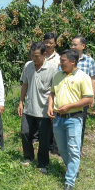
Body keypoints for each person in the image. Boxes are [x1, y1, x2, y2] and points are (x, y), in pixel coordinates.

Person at [48, 49, 94, 190]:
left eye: (63, 61)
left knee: (74, 150)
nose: (60, 63)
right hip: (58, 119)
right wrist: (50, 106)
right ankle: (73, 170)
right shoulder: (58, 76)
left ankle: (69, 182)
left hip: (74, 118)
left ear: (73, 62)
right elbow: (52, 93)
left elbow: (88, 98)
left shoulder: (83, 77)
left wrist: (69, 106)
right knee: (62, 149)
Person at [18, 42, 58, 174]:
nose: (34, 59)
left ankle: (43, 163)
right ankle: (28, 157)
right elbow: (25, 84)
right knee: (25, 132)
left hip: (44, 109)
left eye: (36, 56)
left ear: (44, 54)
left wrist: (52, 107)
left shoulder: (52, 69)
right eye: (32, 56)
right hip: (29, 107)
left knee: (44, 138)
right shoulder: (28, 66)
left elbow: (54, 90)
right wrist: (20, 102)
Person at [70, 35, 95, 153]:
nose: (73, 47)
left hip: (83, 98)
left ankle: (78, 149)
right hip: (70, 96)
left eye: (75, 45)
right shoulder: (68, 59)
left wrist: (92, 96)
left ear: (83, 46)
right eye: (71, 44)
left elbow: (93, 78)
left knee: (81, 123)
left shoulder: (89, 61)